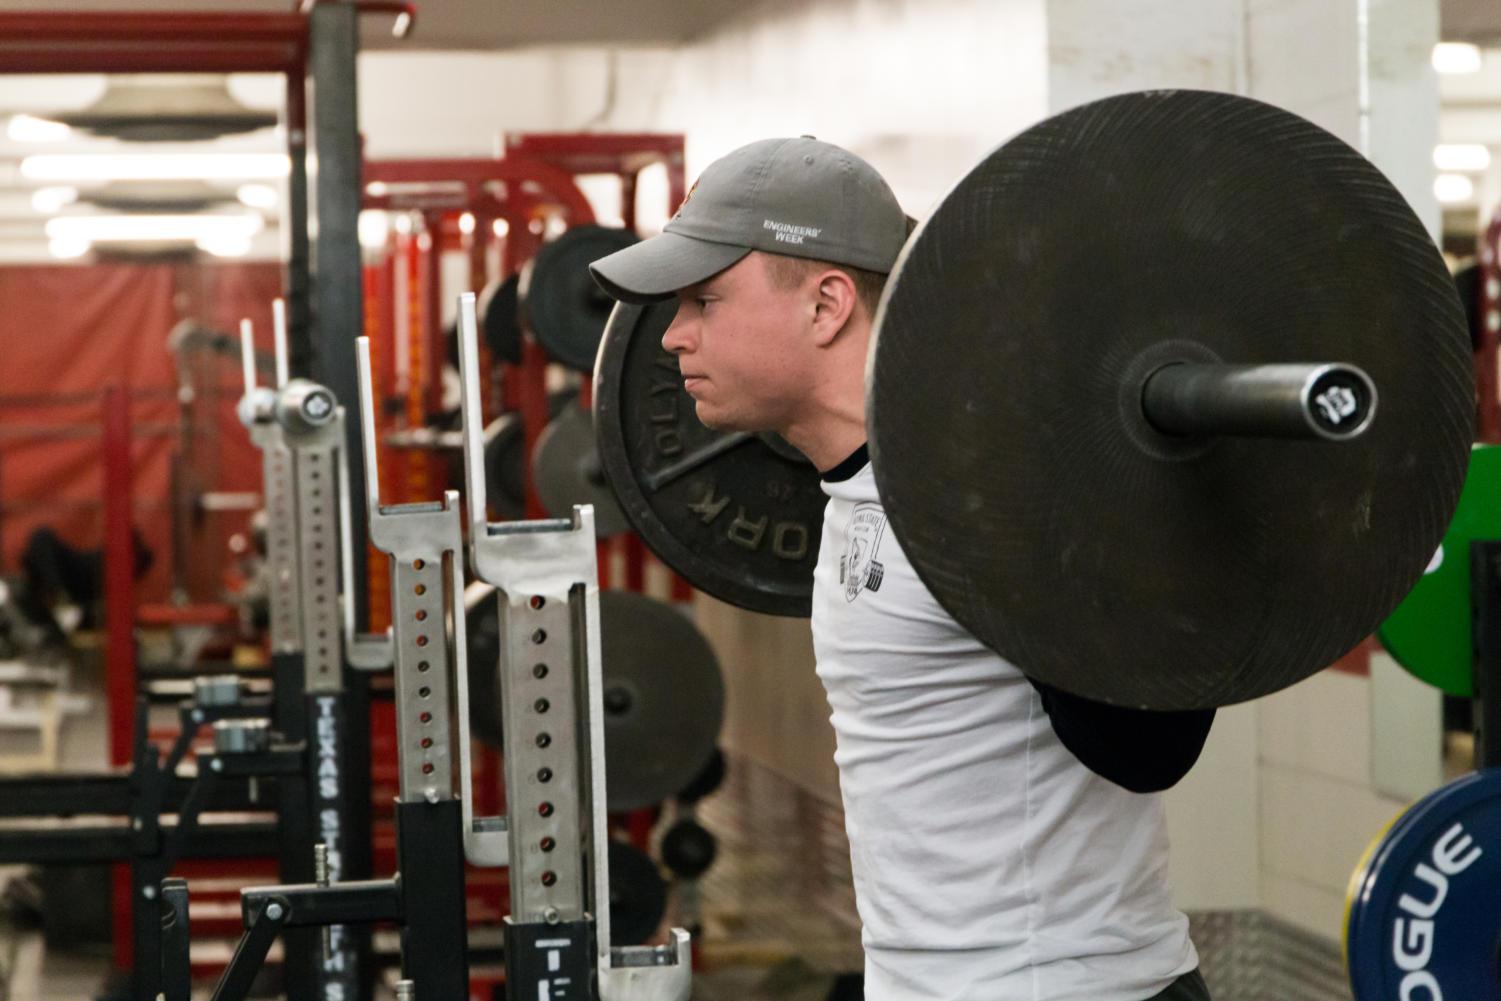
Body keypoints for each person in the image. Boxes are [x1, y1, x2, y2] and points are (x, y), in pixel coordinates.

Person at [590, 136, 1216, 1001]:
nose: (672, 337)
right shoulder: (854, 486)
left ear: (826, 303)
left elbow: (1150, 744)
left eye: (704, 298)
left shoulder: (985, 496)